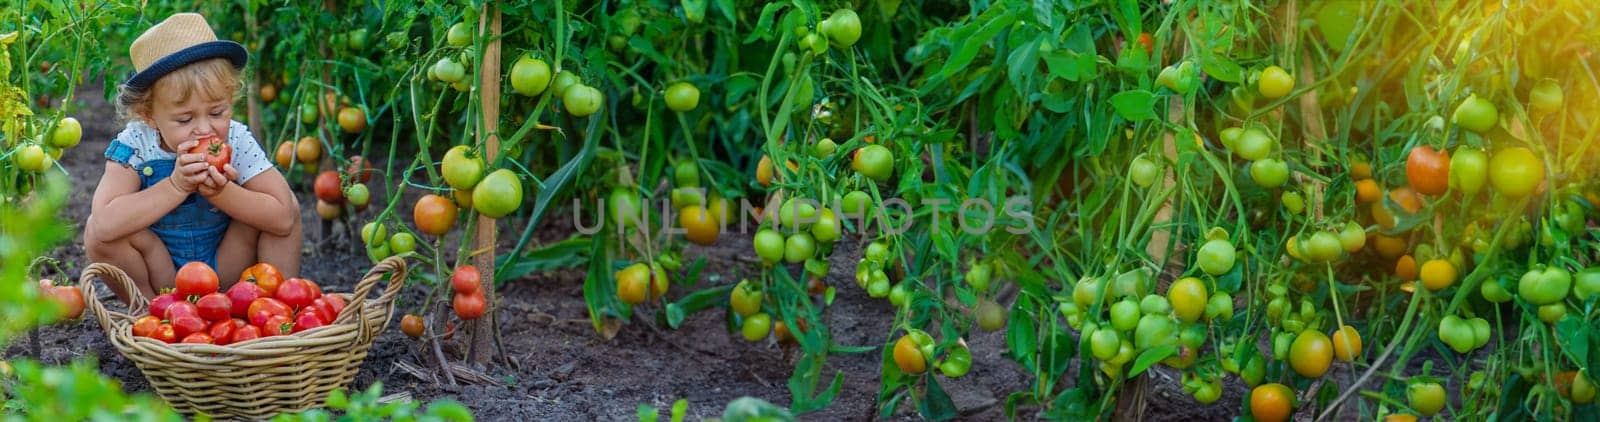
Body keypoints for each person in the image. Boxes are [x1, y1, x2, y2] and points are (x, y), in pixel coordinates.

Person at [85, 13, 301, 303]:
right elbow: (104, 224)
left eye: (217, 112)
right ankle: (151, 314)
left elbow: (285, 218)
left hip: (229, 266)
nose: (204, 128)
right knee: (96, 236)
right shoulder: (135, 144)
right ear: (148, 115)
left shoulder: (235, 139)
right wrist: (176, 185)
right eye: (185, 118)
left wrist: (224, 192)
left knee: (286, 202)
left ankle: (277, 308)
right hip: (162, 274)